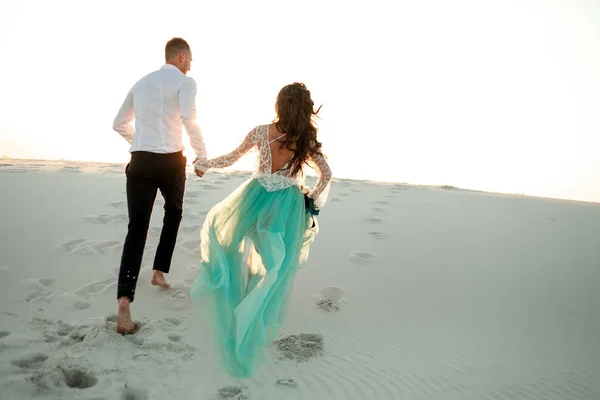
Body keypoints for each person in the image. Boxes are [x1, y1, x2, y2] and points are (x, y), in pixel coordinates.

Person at [191, 82, 332, 377]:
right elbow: (327, 174)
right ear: (305, 110)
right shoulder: (305, 141)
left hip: (254, 197)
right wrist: (312, 199)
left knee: (227, 238)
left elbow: (230, 158)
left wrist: (204, 164)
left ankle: (233, 296)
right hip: (286, 208)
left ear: (279, 106)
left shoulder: (261, 131)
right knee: (276, 266)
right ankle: (254, 314)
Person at [112, 37, 207, 334]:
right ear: (180, 57)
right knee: (174, 212)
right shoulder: (185, 82)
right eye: (189, 59)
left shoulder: (140, 83)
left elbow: (118, 123)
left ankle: (125, 301)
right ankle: (158, 272)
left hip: (140, 161)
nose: (191, 65)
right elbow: (189, 117)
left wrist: (140, 143)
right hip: (170, 162)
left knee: (137, 228)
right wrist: (202, 155)